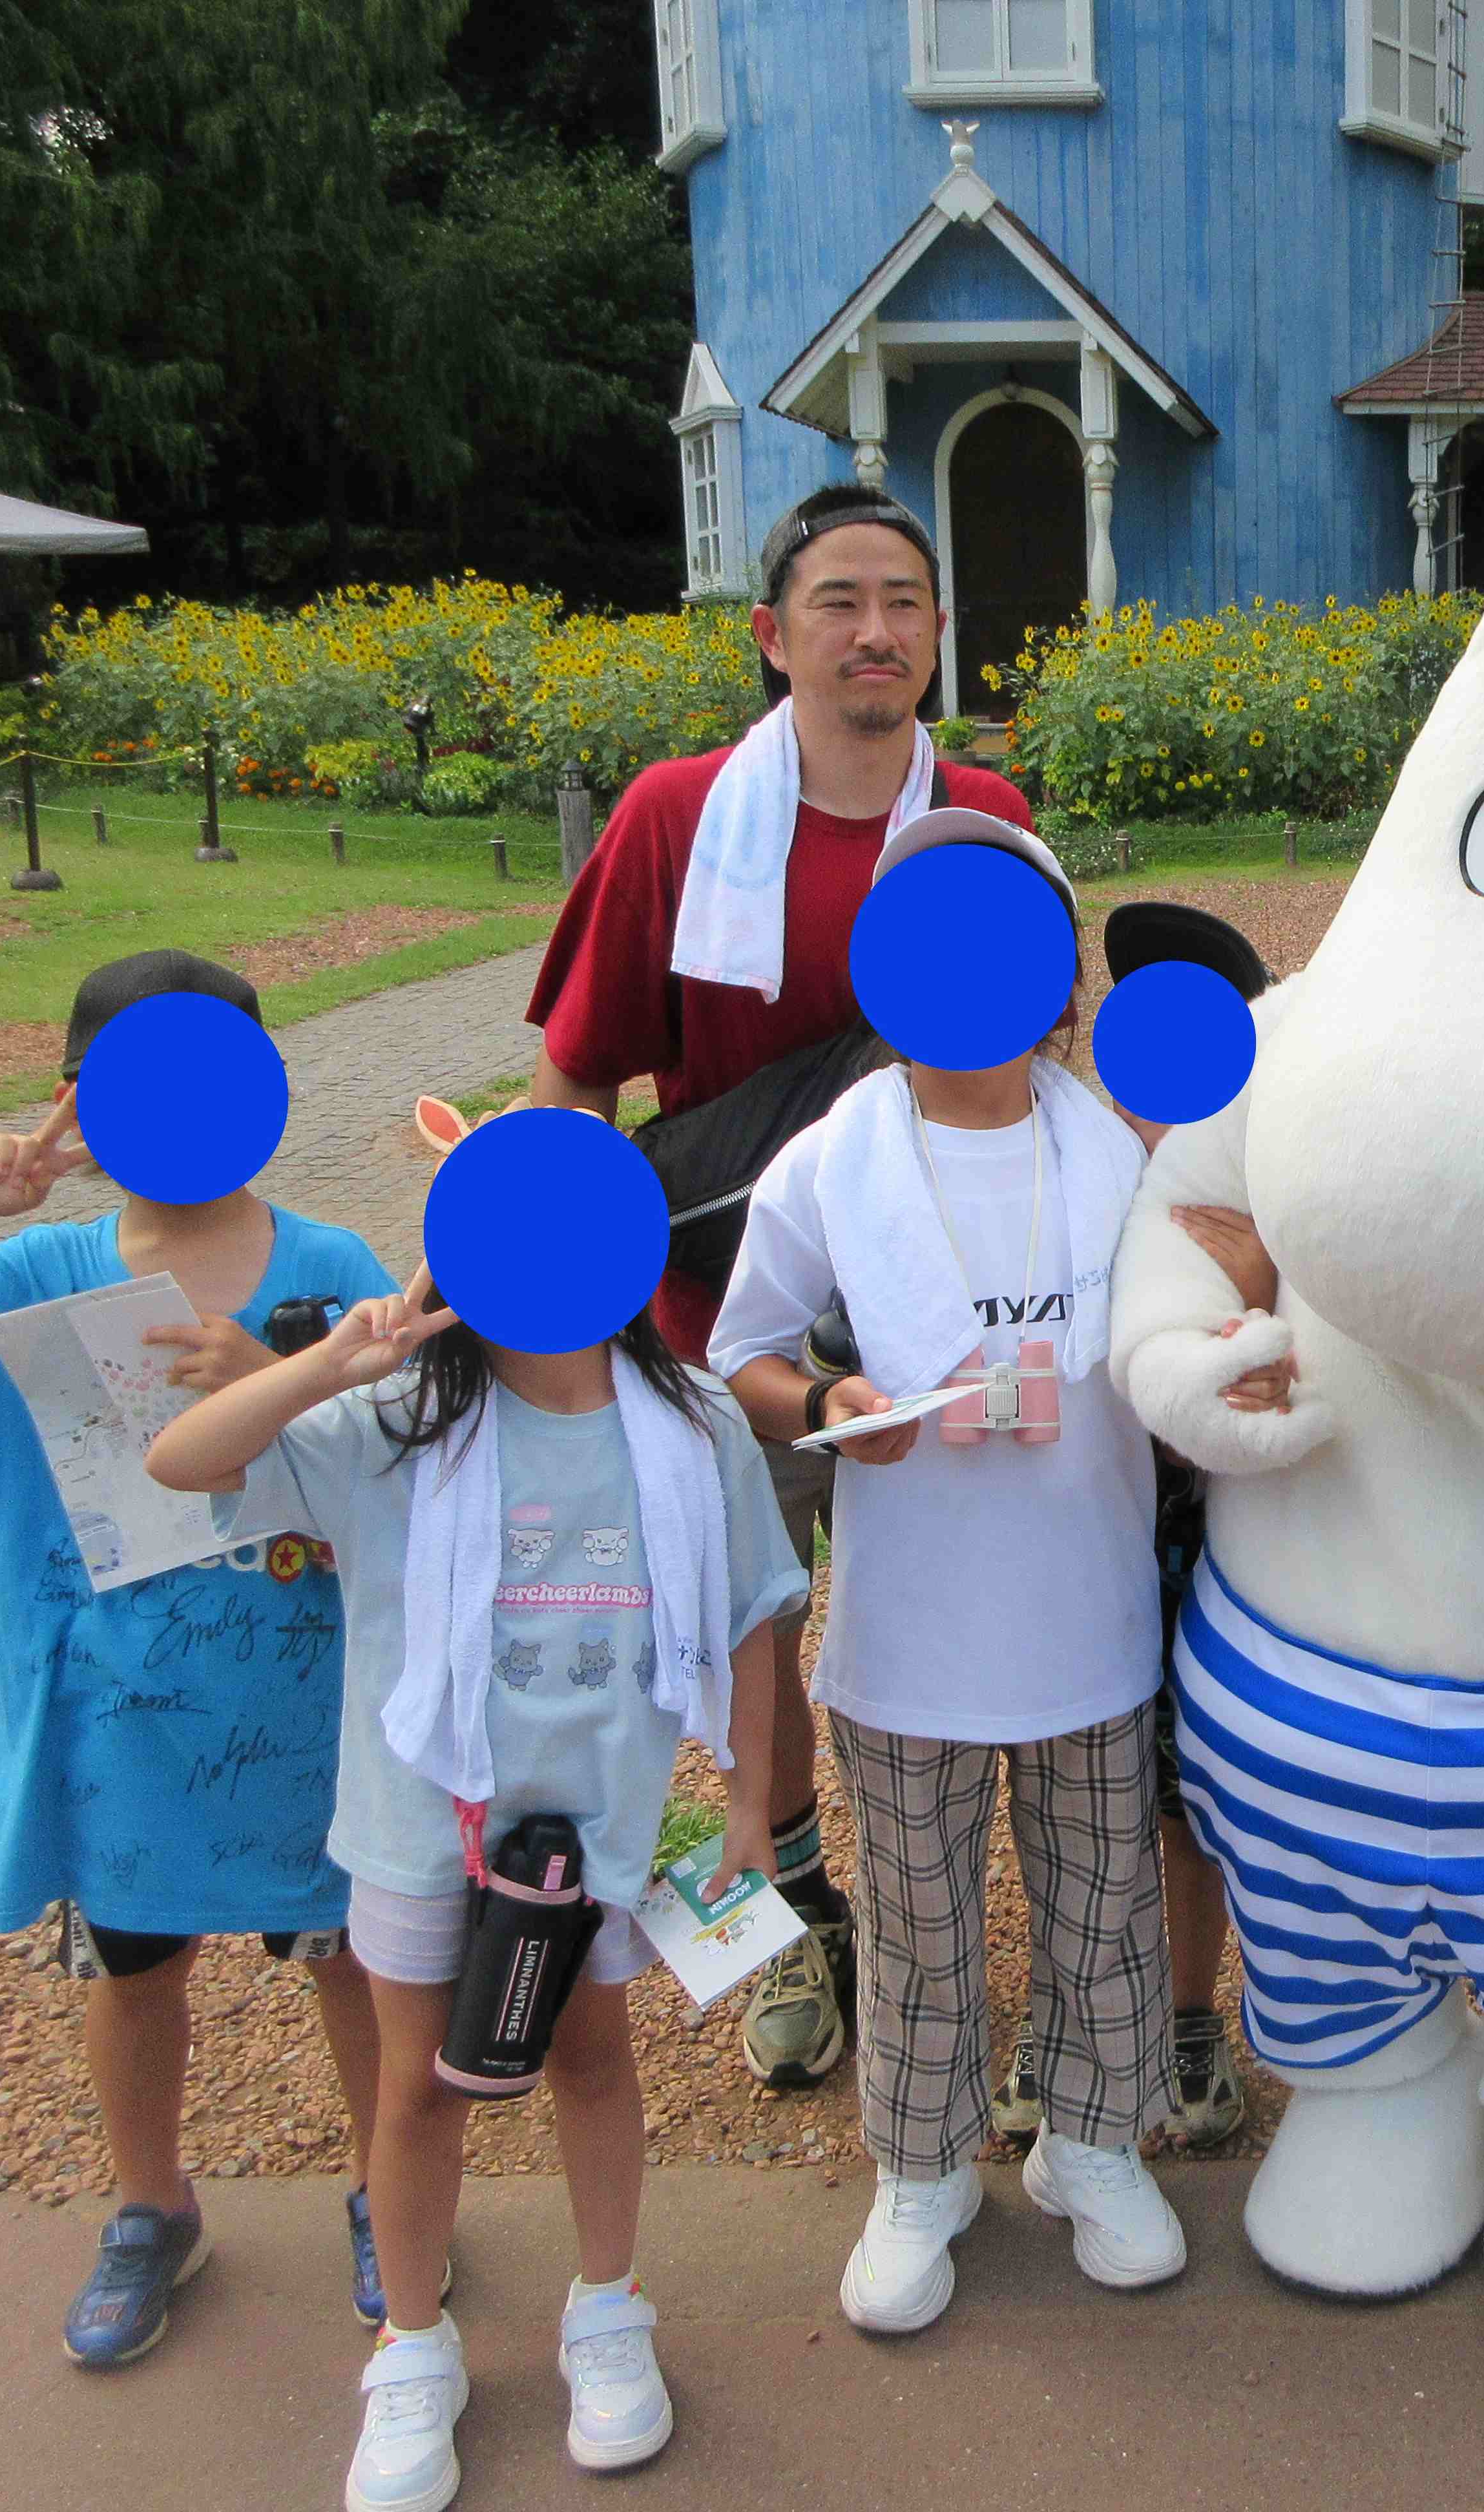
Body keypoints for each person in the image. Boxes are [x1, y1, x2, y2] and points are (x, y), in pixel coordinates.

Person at [0, 951, 399, 2367]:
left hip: (309, 1707)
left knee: (349, 1959)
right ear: (77, 1098)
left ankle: (388, 2186)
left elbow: (409, 1458)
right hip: (111, 1724)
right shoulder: (25, 1281)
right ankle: (147, 2204)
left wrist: (274, 1376)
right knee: (130, 1966)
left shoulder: (330, 1272)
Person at [145, 1268, 809, 2511]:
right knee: (415, 2088)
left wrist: (745, 1801)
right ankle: (411, 2346)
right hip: (420, 1821)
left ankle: (607, 2306)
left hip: (597, 1822)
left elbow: (745, 1617)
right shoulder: (394, 1420)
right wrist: (330, 1364)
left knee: (592, 2059)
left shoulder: (694, 1418)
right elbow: (181, 1462)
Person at [523, 483, 1032, 2096]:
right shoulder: (678, 816)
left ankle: (942, 1919)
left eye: (904, 601)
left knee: (945, 1619)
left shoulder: (985, 813)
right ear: (771, 632)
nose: (876, 631)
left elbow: (1033, 1058)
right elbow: (577, 1075)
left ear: (937, 630)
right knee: (756, 1632)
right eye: (838, 601)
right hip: (720, 1324)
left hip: (938, 1330)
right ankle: (802, 1912)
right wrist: (544, 1306)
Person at [710, 810, 1183, 2336]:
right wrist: (829, 1403)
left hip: (1087, 1611)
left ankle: (1093, 2143)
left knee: (1103, 1902)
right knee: (919, 1921)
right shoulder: (831, 1162)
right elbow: (743, 1352)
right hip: (911, 1629)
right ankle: (922, 2170)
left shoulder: (1115, 1147)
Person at [994, 900, 1277, 2150]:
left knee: (1183, 1793)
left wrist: (1256, 1286)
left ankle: (1186, 2013)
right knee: (1062, 1782)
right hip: (1077, 1524)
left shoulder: (1268, 1181)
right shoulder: (1069, 1165)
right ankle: (1063, 2012)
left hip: (1218, 1530)